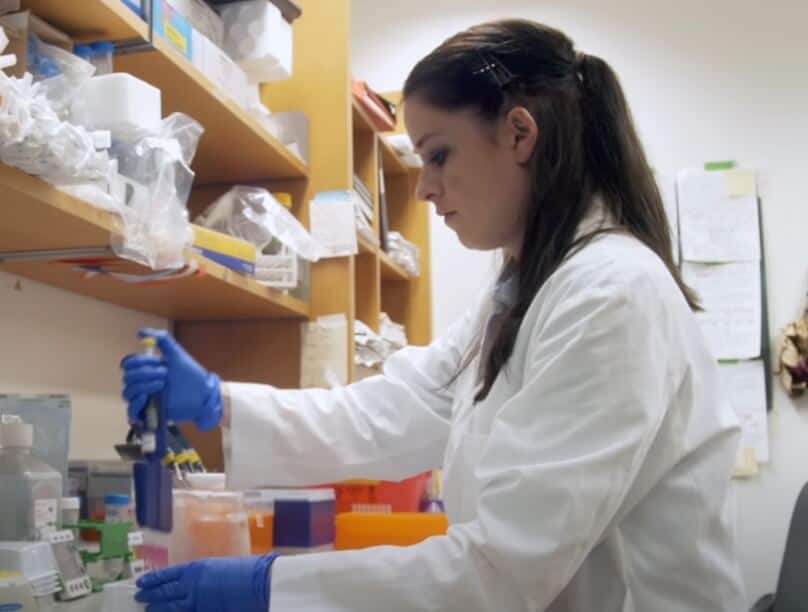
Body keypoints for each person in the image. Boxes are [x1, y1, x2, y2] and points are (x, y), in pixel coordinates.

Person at [121, 18, 746, 612]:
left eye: (439, 154)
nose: (423, 187)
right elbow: (397, 410)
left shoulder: (611, 295)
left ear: (519, 134)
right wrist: (221, 404)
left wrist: (272, 588)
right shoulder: (527, 291)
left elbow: (502, 569)